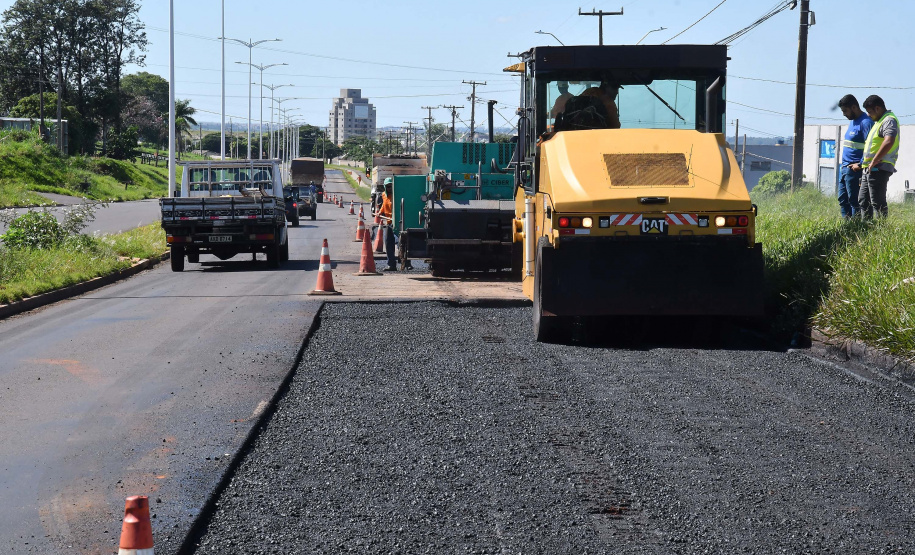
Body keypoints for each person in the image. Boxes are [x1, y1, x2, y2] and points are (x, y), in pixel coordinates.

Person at [856, 95, 900, 219]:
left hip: (878, 167)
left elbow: (889, 141)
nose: (868, 115)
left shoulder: (889, 120)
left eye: (870, 112)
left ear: (877, 108)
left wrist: (874, 161)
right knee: (863, 200)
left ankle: (881, 232)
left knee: (877, 202)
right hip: (869, 167)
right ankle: (867, 228)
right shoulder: (878, 122)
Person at [837, 94, 873, 218]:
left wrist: (861, 164)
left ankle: (856, 229)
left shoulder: (866, 122)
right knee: (842, 199)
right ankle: (846, 227)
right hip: (845, 168)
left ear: (854, 107)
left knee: (854, 201)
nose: (844, 114)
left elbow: (871, 146)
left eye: (845, 111)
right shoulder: (853, 122)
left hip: (855, 169)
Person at [379, 178, 397, 271]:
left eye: (391, 186)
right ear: (385, 187)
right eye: (388, 186)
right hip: (389, 222)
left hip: (397, 222)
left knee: (400, 242)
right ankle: (391, 265)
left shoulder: (396, 195)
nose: (389, 188)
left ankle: (407, 263)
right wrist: (380, 212)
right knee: (388, 243)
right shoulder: (384, 195)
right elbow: (384, 205)